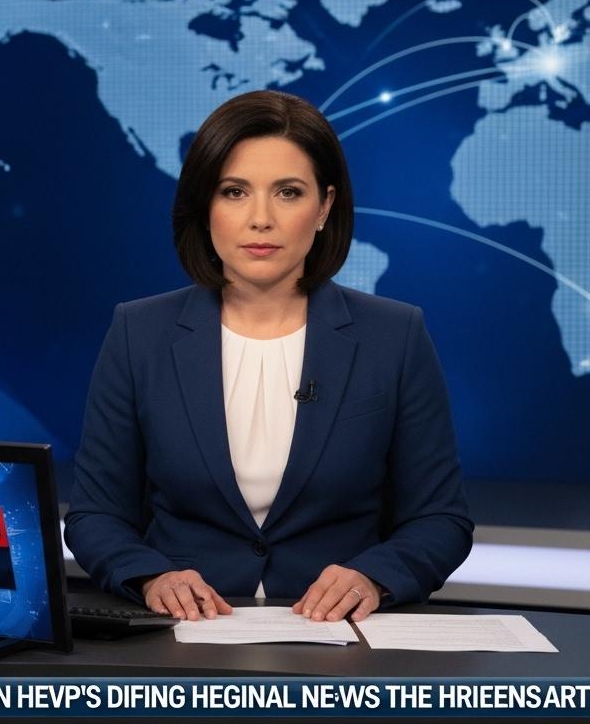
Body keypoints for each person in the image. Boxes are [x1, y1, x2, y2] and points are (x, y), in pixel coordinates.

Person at [64, 90, 472, 623]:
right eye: (234, 192)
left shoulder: (395, 336)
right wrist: (152, 577)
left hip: (337, 637)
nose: (261, 219)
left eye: (288, 192)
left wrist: (373, 577)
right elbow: (95, 515)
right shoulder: (138, 333)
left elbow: (441, 519)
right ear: (205, 207)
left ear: (323, 207)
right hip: (185, 633)